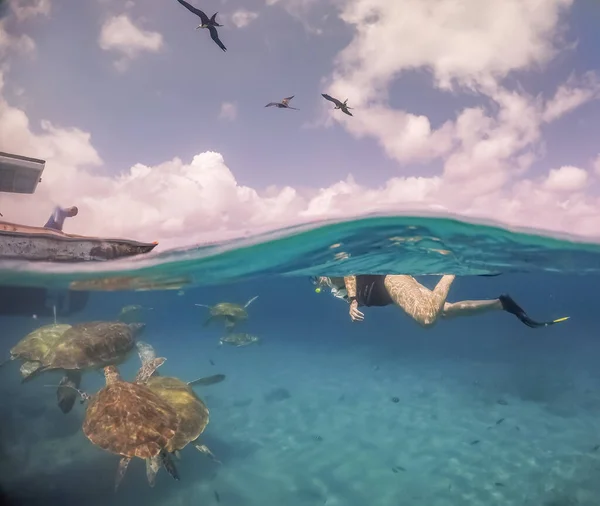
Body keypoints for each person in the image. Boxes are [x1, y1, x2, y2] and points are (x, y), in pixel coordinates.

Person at [311, 274, 569, 329]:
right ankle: (501, 304)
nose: (318, 281)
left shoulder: (335, 271)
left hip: (390, 281)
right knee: (443, 311)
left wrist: (354, 301)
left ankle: (450, 269)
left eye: (317, 277)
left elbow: (350, 271)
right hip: (392, 294)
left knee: (427, 317)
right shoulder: (332, 289)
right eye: (314, 281)